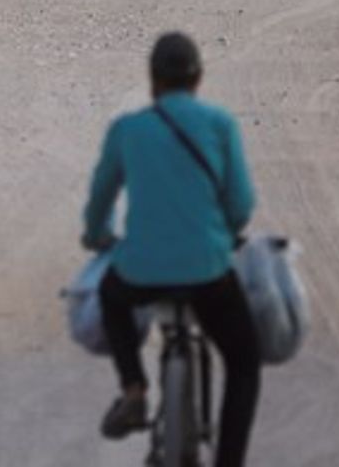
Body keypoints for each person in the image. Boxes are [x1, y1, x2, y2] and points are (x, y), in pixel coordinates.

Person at [82, 32, 261, 467]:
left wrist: (97, 237)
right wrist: (227, 234)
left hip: (140, 270)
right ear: (198, 78)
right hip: (208, 273)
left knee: (111, 294)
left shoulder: (128, 130)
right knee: (243, 363)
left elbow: (100, 202)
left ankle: (134, 389)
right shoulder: (220, 125)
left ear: (152, 80)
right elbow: (241, 205)